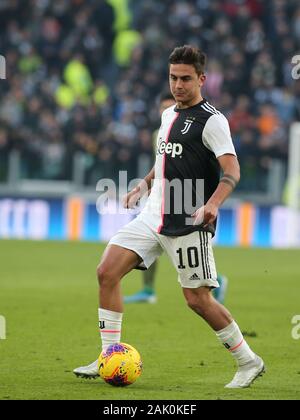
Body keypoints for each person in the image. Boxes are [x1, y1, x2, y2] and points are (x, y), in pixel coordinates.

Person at [74, 45, 265, 388]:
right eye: (173, 78)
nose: (178, 85)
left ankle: (248, 361)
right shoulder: (167, 115)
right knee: (106, 272)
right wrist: (143, 186)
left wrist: (214, 203)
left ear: (202, 79)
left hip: (189, 221)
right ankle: (108, 356)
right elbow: (163, 159)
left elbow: (232, 170)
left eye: (186, 79)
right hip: (153, 216)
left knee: (197, 299)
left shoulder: (213, 120)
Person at [124, 92, 228, 304]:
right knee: (148, 240)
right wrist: (146, 187)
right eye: (162, 107)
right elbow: (161, 164)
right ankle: (147, 289)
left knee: (184, 251)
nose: (165, 111)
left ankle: (215, 281)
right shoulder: (160, 131)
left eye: (169, 106)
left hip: (189, 198)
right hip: (162, 197)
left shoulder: (201, 125)